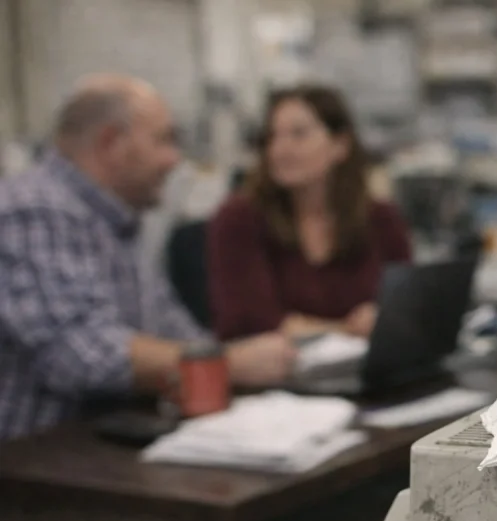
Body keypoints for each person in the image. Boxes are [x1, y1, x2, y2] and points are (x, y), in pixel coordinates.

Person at [0, 74, 297, 441]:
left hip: (112, 458)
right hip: (42, 474)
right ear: (111, 142)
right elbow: (84, 357)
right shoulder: (34, 211)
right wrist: (227, 362)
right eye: (163, 140)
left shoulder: (119, 223)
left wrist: (227, 358)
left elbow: (174, 333)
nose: (175, 160)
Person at [206, 85, 412, 342]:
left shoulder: (381, 218)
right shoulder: (239, 219)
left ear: (340, 145)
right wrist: (346, 330)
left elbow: (407, 307)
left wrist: (379, 316)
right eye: (272, 136)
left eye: (299, 134)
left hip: (371, 371)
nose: (280, 149)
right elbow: (252, 324)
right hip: (274, 376)